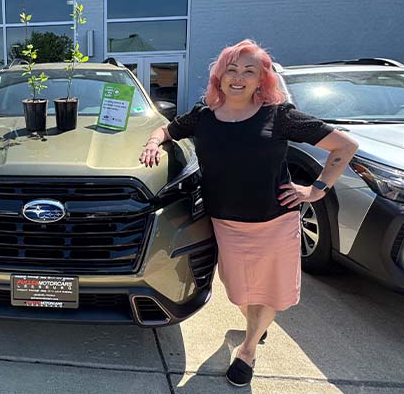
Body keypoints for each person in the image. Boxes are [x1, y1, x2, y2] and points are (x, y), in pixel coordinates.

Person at [139, 39, 357, 387]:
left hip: (275, 222)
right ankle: (257, 324)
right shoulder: (204, 116)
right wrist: (153, 143)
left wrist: (316, 190)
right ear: (219, 76)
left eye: (249, 71)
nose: (238, 77)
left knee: (267, 293)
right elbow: (166, 129)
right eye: (231, 70)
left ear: (261, 80)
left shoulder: (280, 116)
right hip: (225, 224)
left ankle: (248, 350)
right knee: (239, 292)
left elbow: (345, 146)